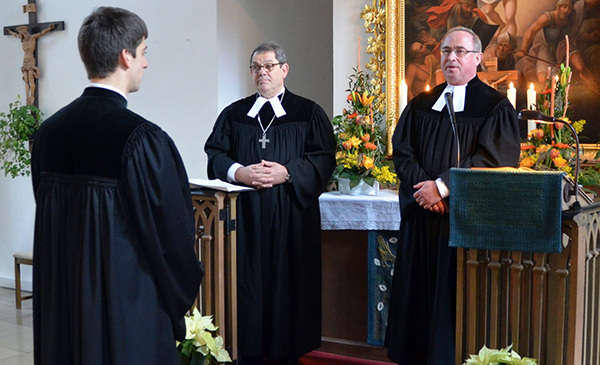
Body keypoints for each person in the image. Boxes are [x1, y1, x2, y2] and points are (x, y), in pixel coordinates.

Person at [31, 7, 202, 365]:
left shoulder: (48, 134)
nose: (146, 63)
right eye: (144, 52)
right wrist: (179, 297)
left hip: (63, 306)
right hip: (125, 311)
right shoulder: (141, 139)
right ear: (126, 56)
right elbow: (173, 236)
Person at [385, 26, 520, 365]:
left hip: (465, 222)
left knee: (458, 300)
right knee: (419, 299)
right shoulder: (421, 104)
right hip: (422, 222)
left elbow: (494, 159)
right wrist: (424, 193)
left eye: (460, 51)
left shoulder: (494, 106)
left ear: (477, 58)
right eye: (446, 51)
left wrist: (442, 187)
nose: (451, 58)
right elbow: (403, 153)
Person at [204, 42, 336, 364]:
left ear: (284, 70)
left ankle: (289, 351)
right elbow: (216, 155)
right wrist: (240, 173)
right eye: (256, 67)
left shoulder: (308, 112)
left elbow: (323, 159)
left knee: (287, 282)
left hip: (290, 217)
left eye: (269, 66)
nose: (262, 72)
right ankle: (245, 348)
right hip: (244, 219)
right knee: (246, 283)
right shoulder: (234, 114)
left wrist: (287, 172)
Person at [515, 0, 592, 87]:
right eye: (564, 7)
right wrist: (523, 48)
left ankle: (593, 86)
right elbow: (531, 31)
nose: (566, 11)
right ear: (558, 7)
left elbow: (574, 34)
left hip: (562, 47)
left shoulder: (570, 19)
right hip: (546, 48)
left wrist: (589, 36)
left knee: (580, 66)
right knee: (543, 79)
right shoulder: (547, 17)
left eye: (569, 9)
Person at [7, 24, 56, 105]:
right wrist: (9, 31)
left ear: (25, 32)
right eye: (20, 33)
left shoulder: (32, 38)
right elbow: (15, 35)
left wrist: (49, 28)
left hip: (30, 60)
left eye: (22, 32)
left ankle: (32, 96)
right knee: (26, 80)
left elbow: (41, 33)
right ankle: (27, 97)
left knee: (31, 79)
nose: (21, 34)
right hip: (25, 60)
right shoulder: (22, 39)